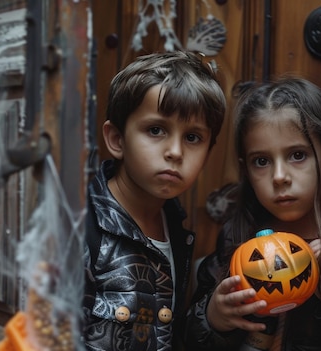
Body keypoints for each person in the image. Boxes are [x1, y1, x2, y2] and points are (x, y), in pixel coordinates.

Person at [184, 77, 321, 350]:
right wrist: (214, 318)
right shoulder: (236, 238)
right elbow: (191, 338)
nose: (279, 177)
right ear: (247, 171)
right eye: (262, 161)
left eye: (297, 155)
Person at [82, 51, 226, 351]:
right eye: (156, 130)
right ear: (117, 139)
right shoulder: (81, 227)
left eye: (193, 137)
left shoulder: (175, 228)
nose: (175, 151)